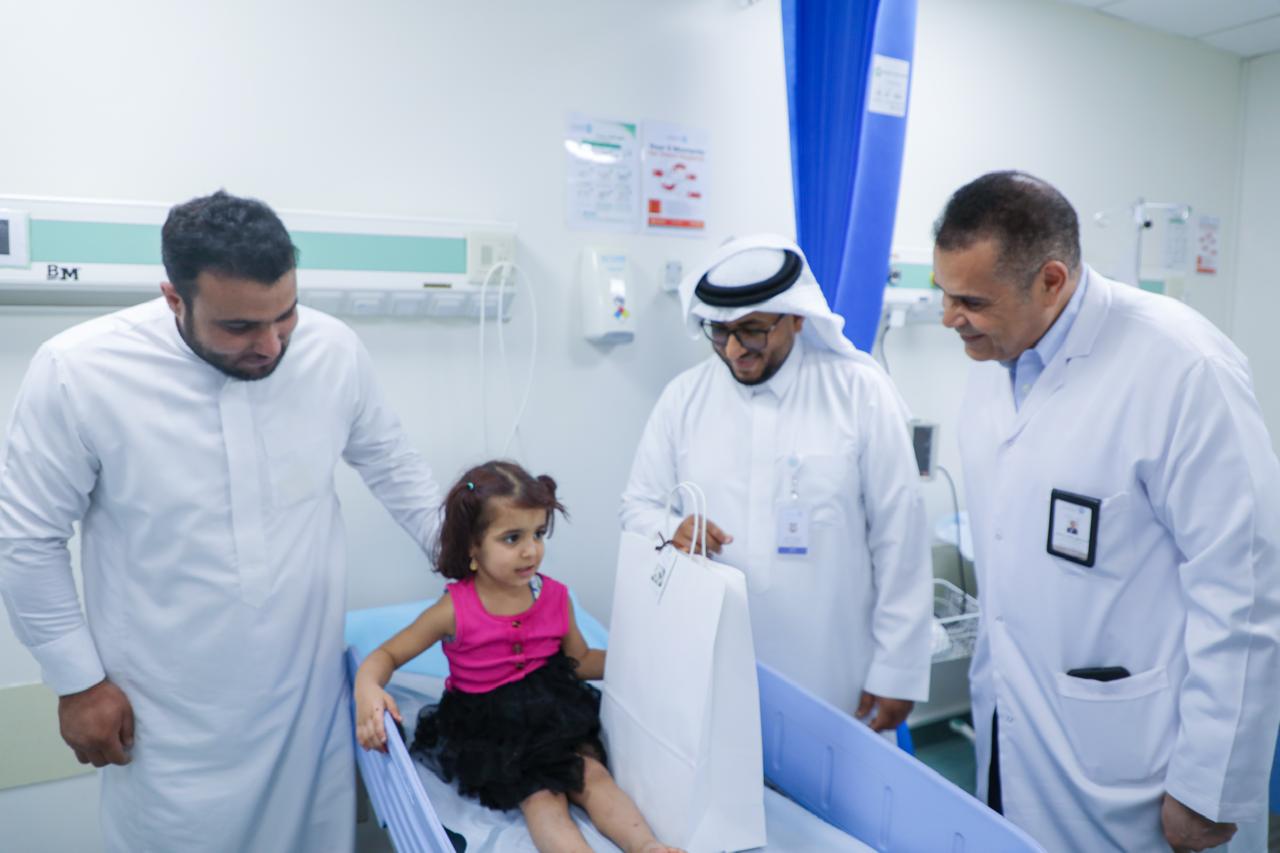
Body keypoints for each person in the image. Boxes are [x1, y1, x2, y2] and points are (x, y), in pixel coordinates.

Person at [0, 190, 441, 852]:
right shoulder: (79, 372)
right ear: (174, 299)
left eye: (285, 315)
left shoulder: (333, 351)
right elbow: (26, 540)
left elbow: (396, 469)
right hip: (166, 719)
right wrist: (78, 683)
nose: (270, 344)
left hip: (306, 703)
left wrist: (474, 560)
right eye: (239, 327)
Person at [932, 170, 1280, 852]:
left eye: (970, 300)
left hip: (1140, 763)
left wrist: (1209, 783)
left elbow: (1242, 587)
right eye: (944, 294)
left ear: (1051, 281)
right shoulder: (994, 364)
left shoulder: (1183, 366)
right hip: (1013, 725)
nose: (949, 318)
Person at [619, 234, 933, 731]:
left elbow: (901, 537)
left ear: (796, 317)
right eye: (720, 332)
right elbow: (638, 507)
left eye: (752, 331)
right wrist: (672, 529)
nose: (734, 350)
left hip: (834, 668)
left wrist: (899, 670)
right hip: (714, 659)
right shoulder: (683, 399)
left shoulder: (859, 393)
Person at [354, 461, 683, 853]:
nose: (531, 550)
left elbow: (578, 660)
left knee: (593, 776)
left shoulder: (555, 596)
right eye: (512, 538)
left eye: (538, 534)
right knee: (542, 797)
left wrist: (635, 663)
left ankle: (647, 846)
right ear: (472, 545)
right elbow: (387, 654)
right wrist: (367, 687)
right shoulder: (453, 610)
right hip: (491, 729)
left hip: (553, 711)